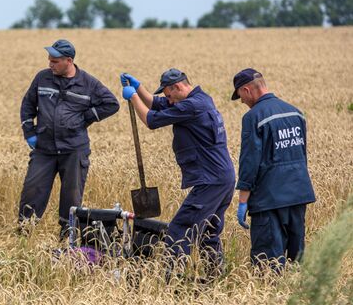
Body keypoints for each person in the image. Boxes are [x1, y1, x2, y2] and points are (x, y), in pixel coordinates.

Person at [121, 69, 235, 270]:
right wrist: (139, 87)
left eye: (168, 94)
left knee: (180, 229)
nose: (168, 100)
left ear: (178, 87)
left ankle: (172, 278)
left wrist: (133, 98)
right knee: (208, 232)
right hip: (221, 178)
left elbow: (151, 120)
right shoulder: (199, 99)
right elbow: (157, 104)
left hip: (210, 180)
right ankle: (215, 274)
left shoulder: (191, 106)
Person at [19, 39, 119, 235]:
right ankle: (24, 233)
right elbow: (27, 105)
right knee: (32, 191)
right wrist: (29, 132)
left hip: (74, 149)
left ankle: (67, 237)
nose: (50, 64)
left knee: (71, 197)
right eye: (49, 59)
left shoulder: (89, 84)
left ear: (69, 61)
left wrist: (85, 118)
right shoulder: (42, 78)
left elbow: (112, 104)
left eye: (55, 61)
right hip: (44, 148)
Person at [232, 68, 316, 269]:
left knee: (267, 263)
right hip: (298, 194)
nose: (241, 101)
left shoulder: (253, 117)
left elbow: (249, 161)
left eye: (240, 96)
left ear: (247, 90)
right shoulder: (295, 112)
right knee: (296, 260)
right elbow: (301, 155)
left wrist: (243, 200)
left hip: (269, 199)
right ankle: (297, 297)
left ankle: (268, 299)